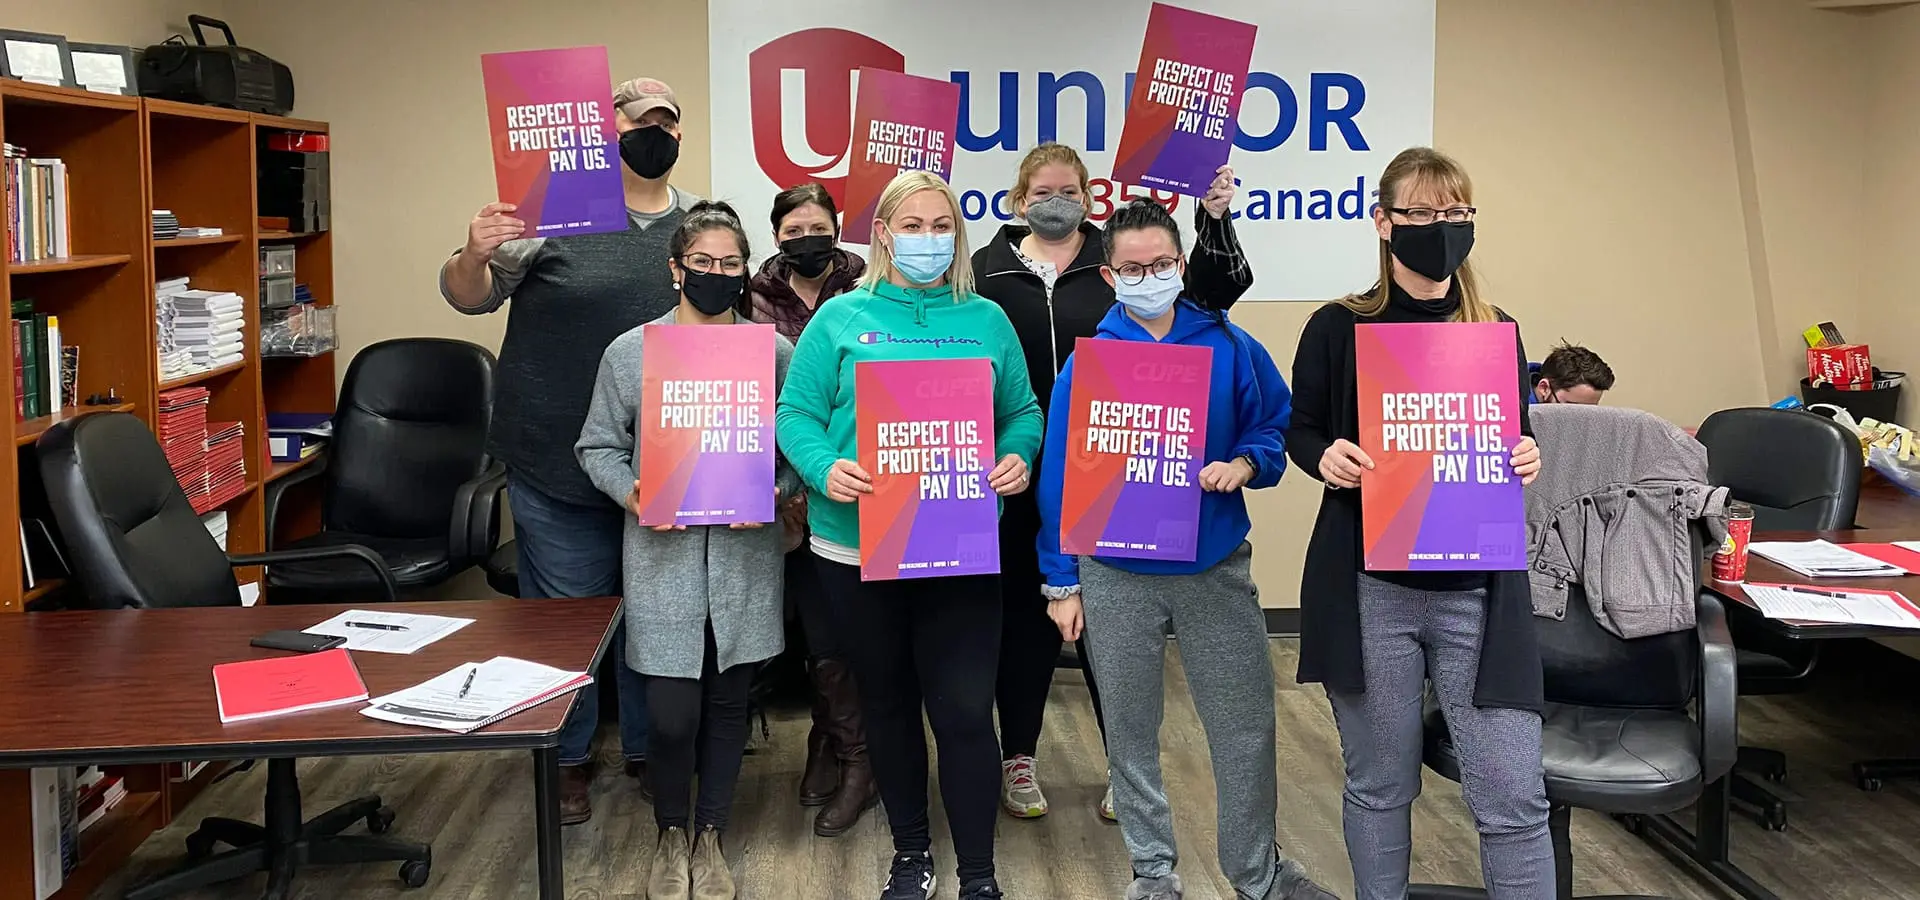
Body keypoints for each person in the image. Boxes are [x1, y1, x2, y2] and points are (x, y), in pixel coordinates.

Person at [1035, 200, 1336, 900]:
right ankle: (1152, 873)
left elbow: (1273, 425)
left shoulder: (1229, 345)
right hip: (1114, 573)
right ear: (1111, 276)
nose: (1149, 277)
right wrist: (1061, 580)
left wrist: (1247, 464)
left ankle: (1258, 873)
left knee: (1244, 728)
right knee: (1131, 735)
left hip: (1213, 567)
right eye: (1134, 268)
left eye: (1162, 264)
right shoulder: (1092, 365)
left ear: (1181, 263)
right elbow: (1058, 478)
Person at [1288, 146, 1552, 900]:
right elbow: (1299, 428)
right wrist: (1324, 455)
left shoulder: (1496, 329)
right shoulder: (1339, 326)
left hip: (1480, 592)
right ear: (1384, 222)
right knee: (1380, 784)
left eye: (1457, 213)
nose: (1442, 228)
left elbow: (1514, 435)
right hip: (1372, 586)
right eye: (1423, 213)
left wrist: (1527, 453)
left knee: (1512, 795)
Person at [440, 76, 700, 824]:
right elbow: (469, 295)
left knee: (655, 616)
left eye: (667, 120)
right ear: (602, 127)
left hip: (663, 466)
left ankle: (652, 752)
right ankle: (567, 757)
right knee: (564, 619)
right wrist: (473, 251)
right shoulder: (550, 211)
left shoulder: (698, 225)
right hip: (554, 457)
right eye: (637, 116)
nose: (654, 129)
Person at [776, 170, 1043, 900]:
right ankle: (912, 853)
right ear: (884, 233)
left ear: (956, 235)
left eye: (941, 225)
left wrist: (1019, 454)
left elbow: (1022, 411)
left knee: (961, 711)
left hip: (959, 545)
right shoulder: (840, 319)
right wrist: (825, 468)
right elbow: (793, 417)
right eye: (912, 225)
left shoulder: (986, 318)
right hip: (856, 548)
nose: (928, 238)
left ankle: (979, 874)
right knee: (888, 704)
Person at [971, 142, 1251, 821]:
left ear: (1090, 196)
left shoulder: (1117, 262)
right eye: (1042, 191)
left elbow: (1212, 297)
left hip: (1121, 469)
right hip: (1014, 466)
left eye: (1068, 189)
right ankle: (1021, 757)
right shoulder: (984, 270)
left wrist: (1213, 218)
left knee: (1110, 630)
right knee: (1028, 621)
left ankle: (1124, 770)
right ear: (1018, 198)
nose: (1055, 200)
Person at [576, 201, 793, 900]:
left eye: (731, 264)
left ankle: (710, 835)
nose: (717, 274)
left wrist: (767, 492)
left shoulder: (773, 353)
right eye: (703, 263)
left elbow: (799, 451)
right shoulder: (632, 351)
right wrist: (635, 495)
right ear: (676, 270)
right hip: (661, 557)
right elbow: (597, 446)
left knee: (730, 701)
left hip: (744, 558)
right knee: (672, 714)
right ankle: (671, 832)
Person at [747, 182, 878, 837]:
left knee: (851, 631)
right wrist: (784, 485)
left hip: (857, 487)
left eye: (818, 227)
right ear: (777, 236)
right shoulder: (749, 297)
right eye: (794, 229)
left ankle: (844, 749)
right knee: (816, 633)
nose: (807, 239)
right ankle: (837, 741)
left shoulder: (868, 288)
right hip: (775, 487)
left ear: (837, 229)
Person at [1530, 342, 1614, 404]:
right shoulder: (1518, 413)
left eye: (1590, 411)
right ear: (1544, 388)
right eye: (1571, 409)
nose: (1579, 420)